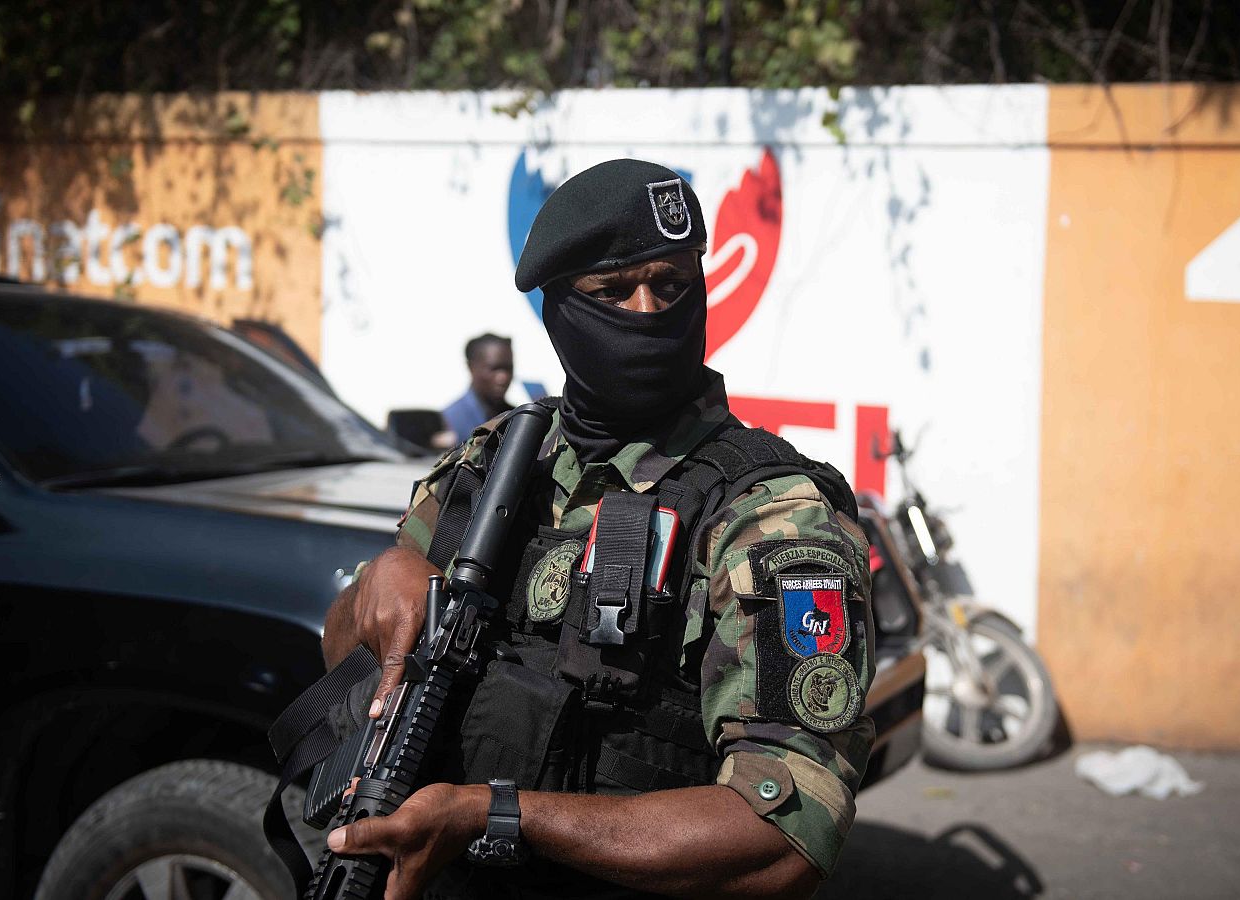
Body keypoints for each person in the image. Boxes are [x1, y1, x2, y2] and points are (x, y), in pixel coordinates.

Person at [320, 159, 874, 900]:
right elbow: (345, 668)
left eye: (671, 284)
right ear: (558, 313)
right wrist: (375, 588)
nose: (646, 312)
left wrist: (496, 816)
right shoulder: (493, 470)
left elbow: (781, 834)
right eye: (612, 292)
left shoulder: (771, 514)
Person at [442, 333, 516, 444]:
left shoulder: (517, 418)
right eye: (494, 369)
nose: (503, 378)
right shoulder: (450, 421)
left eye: (508, 368)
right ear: (471, 367)